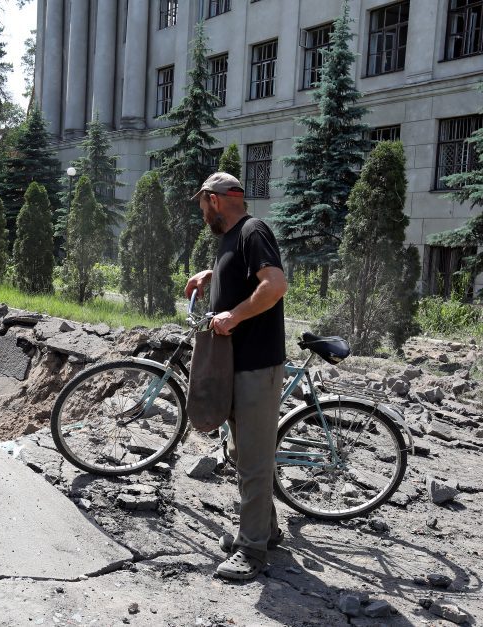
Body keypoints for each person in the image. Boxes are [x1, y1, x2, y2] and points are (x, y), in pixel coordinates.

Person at [184, 172, 288, 581]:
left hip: (256, 364)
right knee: (245, 454)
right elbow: (244, 277)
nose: (201, 211)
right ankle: (267, 530)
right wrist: (211, 277)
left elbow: (274, 284)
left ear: (214, 199)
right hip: (234, 362)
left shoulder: (252, 230)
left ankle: (251, 551)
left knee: (255, 461)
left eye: (201, 204)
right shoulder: (230, 238)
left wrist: (235, 314)